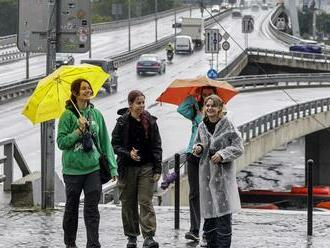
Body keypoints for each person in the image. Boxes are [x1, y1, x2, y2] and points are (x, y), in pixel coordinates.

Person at [57, 78, 118, 248]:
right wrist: (78, 131)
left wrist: (113, 167)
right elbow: (61, 142)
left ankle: (93, 244)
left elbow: (105, 141)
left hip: (94, 169)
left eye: (89, 88)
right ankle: (70, 243)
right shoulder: (67, 116)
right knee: (72, 208)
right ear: (75, 93)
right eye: (83, 89)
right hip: (73, 171)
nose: (87, 91)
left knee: (92, 209)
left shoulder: (95, 114)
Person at [111, 90, 162, 248]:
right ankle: (132, 236)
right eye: (138, 103)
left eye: (143, 103)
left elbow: (156, 146)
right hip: (127, 169)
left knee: (145, 201)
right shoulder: (122, 122)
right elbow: (114, 145)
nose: (141, 106)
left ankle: (149, 236)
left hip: (146, 167)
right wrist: (128, 153)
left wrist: (158, 168)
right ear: (130, 105)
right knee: (128, 202)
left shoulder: (151, 122)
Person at [192, 94, 243, 248]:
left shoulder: (228, 125)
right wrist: (199, 148)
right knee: (209, 215)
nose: (210, 108)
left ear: (220, 108)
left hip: (222, 177)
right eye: (207, 105)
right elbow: (198, 143)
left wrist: (222, 155)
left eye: (213, 106)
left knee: (223, 216)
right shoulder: (201, 126)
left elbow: (238, 147)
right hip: (206, 176)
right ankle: (210, 244)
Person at [177, 86, 216, 242]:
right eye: (203, 95)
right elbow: (181, 109)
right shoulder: (195, 110)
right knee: (194, 193)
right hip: (192, 153)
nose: (206, 98)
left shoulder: (218, 114)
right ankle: (194, 229)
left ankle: (208, 230)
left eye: (209, 95)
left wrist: (203, 114)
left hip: (208, 156)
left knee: (208, 193)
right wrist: (192, 97)